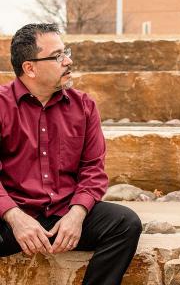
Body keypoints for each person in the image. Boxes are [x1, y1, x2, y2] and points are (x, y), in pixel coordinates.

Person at [0, 23, 142, 285]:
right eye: (57, 56)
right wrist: (14, 216)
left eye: (66, 52)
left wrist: (77, 214)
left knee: (125, 223)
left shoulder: (84, 105)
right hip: (12, 218)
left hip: (64, 215)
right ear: (29, 68)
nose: (68, 61)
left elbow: (93, 169)